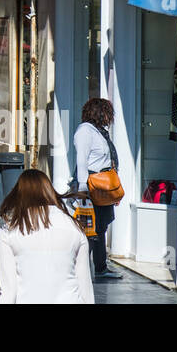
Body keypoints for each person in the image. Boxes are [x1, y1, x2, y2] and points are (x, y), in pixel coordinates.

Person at [0, 169, 93, 304]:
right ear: (49, 191)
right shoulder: (74, 227)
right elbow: (85, 287)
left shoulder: (10, 230)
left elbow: (8, 291)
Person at [73, 97, 122, 279]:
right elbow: (82, 161)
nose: (110, 118)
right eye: (107, 113)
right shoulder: (85, 131)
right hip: (91, 186)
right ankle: (82, 268)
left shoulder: (99, 132)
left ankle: (100, 267)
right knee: (90, 229)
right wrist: (83, 189)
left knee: (100, 227)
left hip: (103, 186)